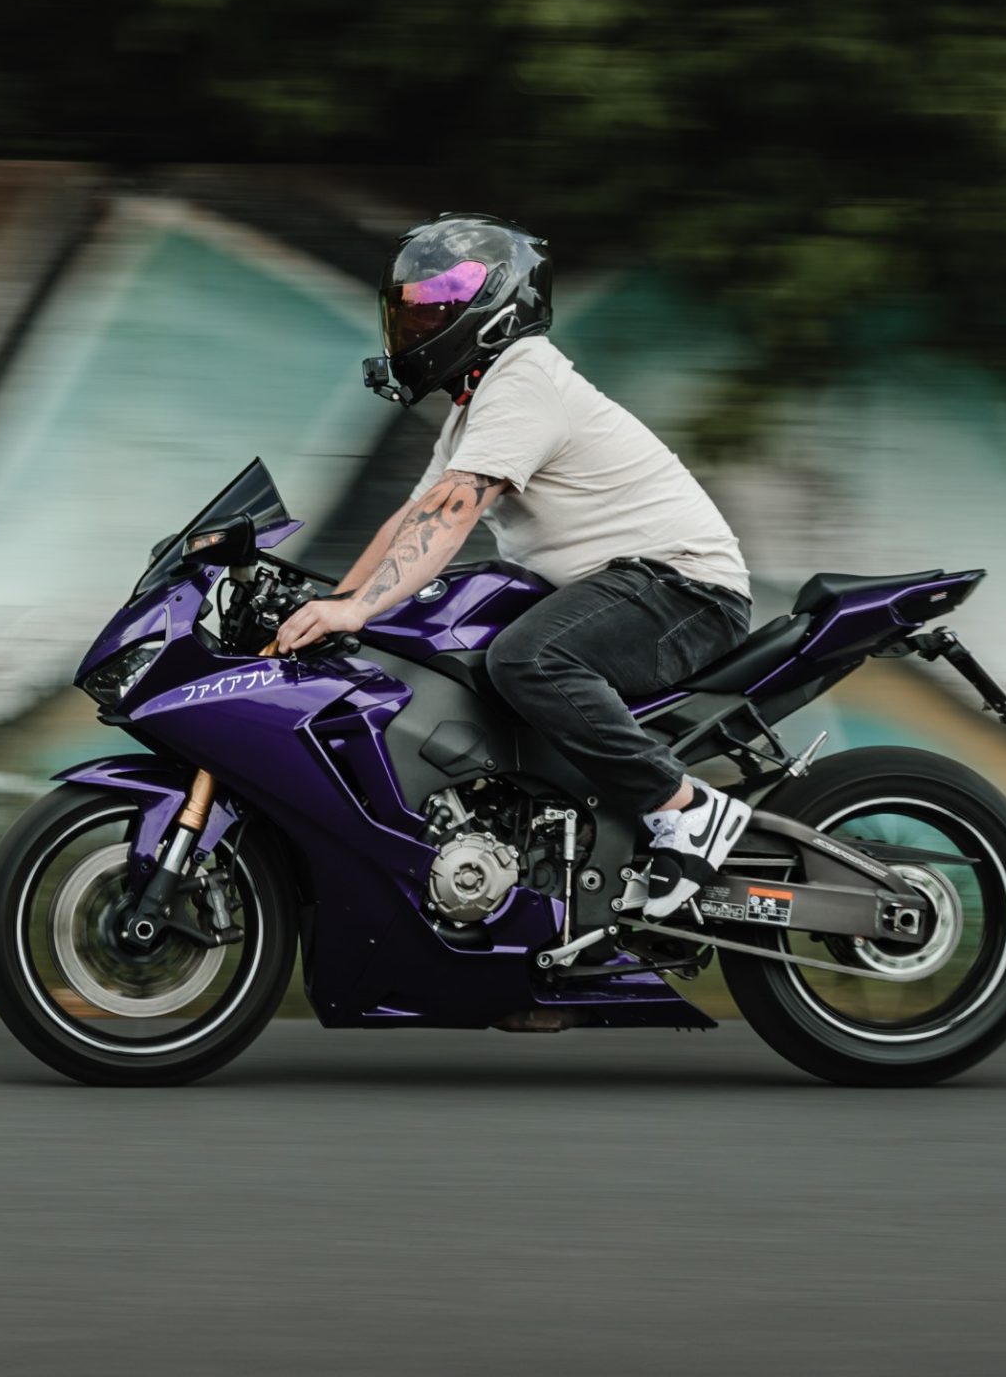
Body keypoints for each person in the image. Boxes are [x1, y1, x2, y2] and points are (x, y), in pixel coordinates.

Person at [275, 213, 755, 921]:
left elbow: (455, 513)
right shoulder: (472, 414)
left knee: (527, 659)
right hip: (626, 585)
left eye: (430, 310)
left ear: (490, 309)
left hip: (684, 587)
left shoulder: (524, 380)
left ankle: (685, 806)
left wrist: (353, 610)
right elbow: (413, 520)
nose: (412, 327)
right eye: (407, 313)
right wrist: (334, 605)